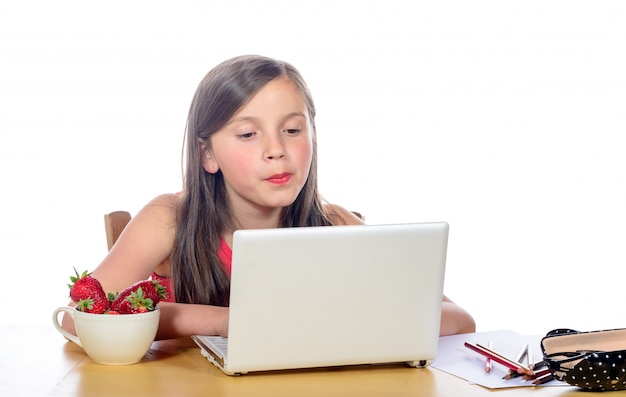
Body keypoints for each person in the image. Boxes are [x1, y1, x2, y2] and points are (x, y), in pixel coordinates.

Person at [62, 55, 475, 339]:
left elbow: (460, 319)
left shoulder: (336, 227)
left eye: (292, 130)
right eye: (247, 134)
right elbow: (77, 321)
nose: (275, 149)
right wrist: (228, 322)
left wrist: (356, 319)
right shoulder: (170, 218)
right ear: (207, 153)